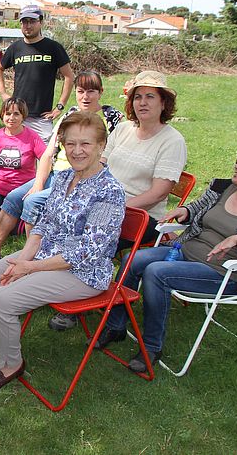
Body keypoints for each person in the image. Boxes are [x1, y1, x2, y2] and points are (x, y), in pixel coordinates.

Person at [0, 112, 125, 390]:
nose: (77, 151)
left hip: (83, 273)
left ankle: (10, 364)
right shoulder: (65, 178)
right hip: (44, 257)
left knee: (1, 302)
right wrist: (22, 260)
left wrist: (27, 268)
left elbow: (88, 251)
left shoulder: (110, 191)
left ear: (102, 145)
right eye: (71, 143)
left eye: (86, 144)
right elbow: (42, 227)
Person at [92, 144, 237, 373]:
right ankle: (115, 325)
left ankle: (151, 346)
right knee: (133, 259)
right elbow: (198, 207)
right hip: (186, 252)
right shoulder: (223, 188)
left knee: (157, 272)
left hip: (224, 273)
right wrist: (185, 211)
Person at [48, 70, 186, 331]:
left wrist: (111, 208)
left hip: (141, 216)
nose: (142, 102)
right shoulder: (123, 129)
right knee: (59, 226)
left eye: (150, 97)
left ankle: (78, 296)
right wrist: (84, 197)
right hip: (102, 200)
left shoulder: (172, 141)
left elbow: (158, 193)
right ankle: (54, 283)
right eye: (137, 97)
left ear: (164, 103)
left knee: (81, 235)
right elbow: (98, 163)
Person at [0, 70, 122, 264]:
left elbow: (106, 157)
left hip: (83, 179)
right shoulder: (69, 115)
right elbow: (47, 153)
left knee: (32, 202)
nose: (85, 97)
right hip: (56, 175)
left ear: (101, 92)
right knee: (12, 198)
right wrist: (39, 182)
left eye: (91, 91)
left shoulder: (111, 118)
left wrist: (41, 190)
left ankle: (34, 257)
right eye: (80, 91)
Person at [0, 5, 74, 144]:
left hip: (42, 117)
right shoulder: (15, 48)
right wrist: (3, 93)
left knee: (43, 160)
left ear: (40, 22)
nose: (28, 25)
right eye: (25, 22)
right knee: (17, 158)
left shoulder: (53, 47)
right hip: (18, 115)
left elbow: (69, 76)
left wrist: (59, 107)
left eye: (32, 21)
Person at [0, 98, 46, 223]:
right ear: (2, 115)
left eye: (16, 114)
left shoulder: (32, 137)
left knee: (15, 229)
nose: (11, 118)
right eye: (8, 113)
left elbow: (45, 160)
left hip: (23, 193)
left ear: (23, 116)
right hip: (0, 192)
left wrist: (38, 185)